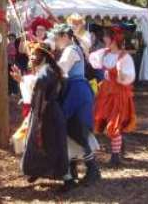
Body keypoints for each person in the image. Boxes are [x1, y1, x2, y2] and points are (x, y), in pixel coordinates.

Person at [10, 42, 73, 192]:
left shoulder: (46, 73)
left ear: (44, 57)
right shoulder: (48, 71)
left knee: (53, 146)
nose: (31, 57)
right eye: (31, 54)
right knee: (40, 145)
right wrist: (22, 80)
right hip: (47, 114)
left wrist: (24, 82)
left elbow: (39, 92)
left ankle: (67, 179)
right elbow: (37, 89)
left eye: (35, 54)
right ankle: (37, 170)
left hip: (48, 115)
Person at [51, 23, 101, 186]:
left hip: (76, 92)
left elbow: (60, 70)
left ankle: (92, 170)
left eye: (57, 38)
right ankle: (73, 169)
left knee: (75, 129)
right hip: (75, 91)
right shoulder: (74, 49)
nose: (56, 42)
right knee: (71, 129)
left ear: (65, 37)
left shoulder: (71, 50)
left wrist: (43, 68)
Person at [90, 26, 137, 167]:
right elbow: (91, 58)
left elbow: (128, 77)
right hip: (105, 93)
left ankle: (116, 156)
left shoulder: (124, 57)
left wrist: (121, 74)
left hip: (118, 94)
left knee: (114, 124)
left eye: (106, 36)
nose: (104, 39)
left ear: (114, 39)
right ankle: (119, 148)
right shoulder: (104, 53)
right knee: (103, 122)